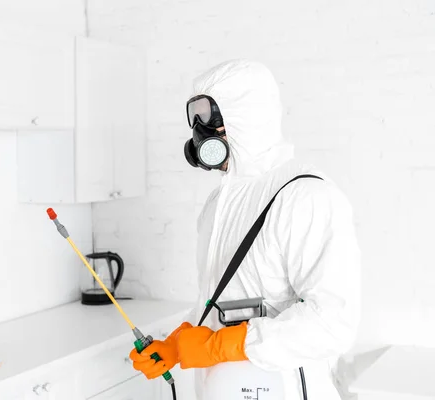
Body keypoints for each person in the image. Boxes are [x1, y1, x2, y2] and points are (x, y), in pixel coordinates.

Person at [129, 59, 361, 399]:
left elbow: (331, 323)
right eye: (194, 118)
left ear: (246, 117)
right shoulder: (217, 205)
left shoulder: (305, 197)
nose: (198, 131)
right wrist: (177, 344)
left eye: (209, 117)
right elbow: (220, 299)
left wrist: (220, 345)